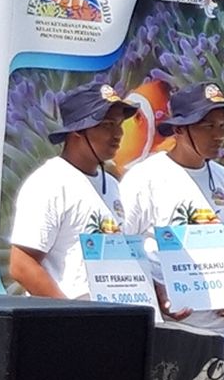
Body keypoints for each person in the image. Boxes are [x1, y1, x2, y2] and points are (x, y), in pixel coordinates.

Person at [120, 81, 224, 380]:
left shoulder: (222, 177)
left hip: (211, 330)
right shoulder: (145, 177)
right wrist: (156, 291)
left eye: (223, 125)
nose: (219, 134)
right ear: (179, 128)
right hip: (161, 328)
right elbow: (122, 247)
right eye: (208, 125)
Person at [9, 81, 137, 298]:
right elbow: (21, 265)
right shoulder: (50, 182)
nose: (118, 134)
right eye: (107, 125)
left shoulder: (113, 185)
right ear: (77, 131)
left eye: (119, 124)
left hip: (112, 319)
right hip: (69, 325)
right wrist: (69, 315)